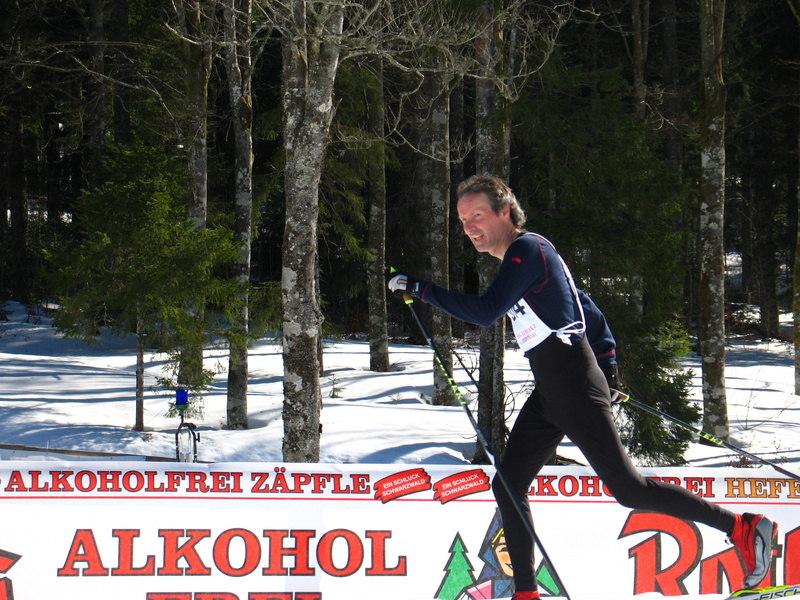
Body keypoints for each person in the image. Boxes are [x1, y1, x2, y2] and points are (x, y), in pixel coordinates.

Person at [387, 174, 777, 600]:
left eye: (476, 215)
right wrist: (608, 368)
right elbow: (584, 306)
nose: (469, 227)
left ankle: (743, 527)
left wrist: (420, 289)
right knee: (508, 485)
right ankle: (526, 593)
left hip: (572, 383)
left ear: (505, 211)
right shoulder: (530, 258)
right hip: (553, 391)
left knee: (629, 489)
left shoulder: (527, 249)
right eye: (463, 220)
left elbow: (485, 312)